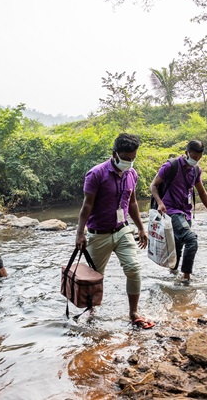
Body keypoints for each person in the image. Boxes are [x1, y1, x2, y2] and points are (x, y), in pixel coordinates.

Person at [75, 133, 152, 328]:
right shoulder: (96, 174)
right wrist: (80, 233)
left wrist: (141, 228)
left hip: (122, 230)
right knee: (95, 277)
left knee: (133, 269)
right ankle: (91, 312)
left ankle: (133, 312)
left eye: (133, 158)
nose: (129, 162)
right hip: (98, 234)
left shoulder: (131, 174)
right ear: (115, 154)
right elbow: (86, 206)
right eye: (126, 159)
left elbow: (132, 202)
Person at [149, 140, 207, 284]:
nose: (196, 160)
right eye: (194, 157)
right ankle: (186, 277)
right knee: (191, 240)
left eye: (199, 158)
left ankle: (172, 273)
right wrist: (160, 203)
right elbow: (154, 186)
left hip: (186, 212)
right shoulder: (170, 166)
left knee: (179, 244)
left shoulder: (195, 170)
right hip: (170, 211)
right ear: (186, 153)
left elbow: (202, 192)